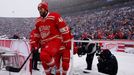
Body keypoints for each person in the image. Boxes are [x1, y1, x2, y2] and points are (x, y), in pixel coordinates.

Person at [30, 1, 73, 75]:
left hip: (54, 41)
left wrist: (67, 41)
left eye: (41, 9)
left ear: (46, 9)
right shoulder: (38, 20)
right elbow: (36, 33)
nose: (40, 11)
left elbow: (63, 28)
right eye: (39, 9)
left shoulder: (54, 16)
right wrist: (35, 42)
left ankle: (54, 68)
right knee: (44, 63)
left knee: (45, 55)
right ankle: (52, 71)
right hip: (45, 44)